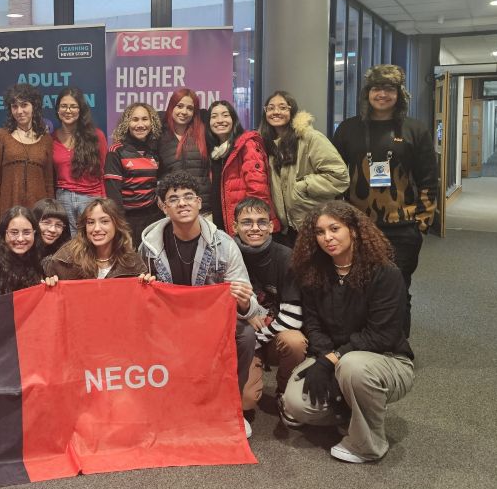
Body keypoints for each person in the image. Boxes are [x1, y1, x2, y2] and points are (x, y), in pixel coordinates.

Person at [280, 201, 414, 464]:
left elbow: (381, 335)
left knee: (353, 368)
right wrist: (326, 357)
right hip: (332, 355)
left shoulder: (385, 273)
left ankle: (367, 445)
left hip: (384, 358)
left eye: (334, 228)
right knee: (295, 402)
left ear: (353, 229)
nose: (327, 238)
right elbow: (313, 324)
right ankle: (354, 408)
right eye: (319, 232)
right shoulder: (314, 273)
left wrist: (333, 360)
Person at [138, 171, 261, 437]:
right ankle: (163, 405)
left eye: (188, 197)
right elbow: (139, 301)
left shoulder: (224, 245)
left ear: (198, 202)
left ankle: (231, 406)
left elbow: (251, 307)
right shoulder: (148, 247)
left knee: (246, 335)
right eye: (173, 198)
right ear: (163, 207)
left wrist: (242, 302)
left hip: (210, 327)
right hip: (168, 326)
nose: (182, 203)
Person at [331, 65, 437, 337]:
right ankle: (363, 342)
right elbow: (334, 176)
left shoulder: (415, 130)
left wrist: (421, 223)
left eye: (389, 89)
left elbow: (428, 179)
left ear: (400, 94)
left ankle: (397, 347)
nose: (382, 94)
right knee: (358, 286)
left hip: (402, 226)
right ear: (367, 93)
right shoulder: (348, 129)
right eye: (377, 88)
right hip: (357, 226)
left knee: (398, 287)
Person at [231, 197, 305, 413]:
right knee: (246, 402)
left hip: (272, 336)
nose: (255, 228)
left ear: (271, 226)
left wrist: (261, 337)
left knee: (295, 342)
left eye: (262, 222)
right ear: (234, 226)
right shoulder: (226, 254)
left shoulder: (287, 257)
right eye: (247, 222)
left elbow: (294, 316)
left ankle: (285, 392)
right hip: (243, 338)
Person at [259, 90, 349, 247]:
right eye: (271, 108)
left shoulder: (310, 138)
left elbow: (339, 176)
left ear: (292, 110)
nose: (276, 112)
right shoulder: (266, 144)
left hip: (313, 225)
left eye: (282, 107)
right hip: (284, 230)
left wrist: (301, 187)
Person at [206, 99, 279, 234]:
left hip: (247, 226)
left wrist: (253, 224)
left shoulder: (246, 144)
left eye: (225, 115)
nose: (220, 120)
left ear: (234, 119)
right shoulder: (215, 152)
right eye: (214, 116)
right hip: (224, 222)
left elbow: (258, 189)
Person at [0, 83, 54, 220]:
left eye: (24, 105)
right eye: (14, 106)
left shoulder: (46, 139)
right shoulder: (1, 135)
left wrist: (51, 212)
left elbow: (49, 181)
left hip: (39, 210)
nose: (19, 111)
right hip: (8, 208)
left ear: (34, 106)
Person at [104, 102, 164, 246]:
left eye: (145, 119)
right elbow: (113, 194)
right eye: (135, 119)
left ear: (152, 122)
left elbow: (158, 183)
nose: (140, 124)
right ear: (126, 123)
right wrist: (121, 226)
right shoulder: (116, 151)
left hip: (153, 217)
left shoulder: (154, 151)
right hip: (128, 219)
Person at [45, 198, 149, 280]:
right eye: (90, 222)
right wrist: (50, 285)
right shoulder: (64, 259)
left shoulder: (133, 262)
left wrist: (146, 285)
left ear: (117, 225)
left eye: (104, 221)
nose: (97, 229)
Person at [51, 87, 108, 234]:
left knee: (92, 242)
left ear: (80, 109)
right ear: (57, 109)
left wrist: (104, 203)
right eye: (63, 106)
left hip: (90, 199)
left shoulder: (96, 136)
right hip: (62, 199)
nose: (68, 110)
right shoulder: (51, 138)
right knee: (69, 246)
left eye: (73, 106)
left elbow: (104, 171)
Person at [159, 88, 212, 216]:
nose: (184, 112)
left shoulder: (203, 132)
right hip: (174, 208)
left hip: (203, 208)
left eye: (190, 108)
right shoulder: (160, 136)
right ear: (172, 107)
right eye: (180, 106)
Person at [32, 197, 70, 267]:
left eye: (58, 225)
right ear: (34, 223)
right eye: (46, 223)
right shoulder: (24, 249)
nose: (53, 230)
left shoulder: (65, 253)